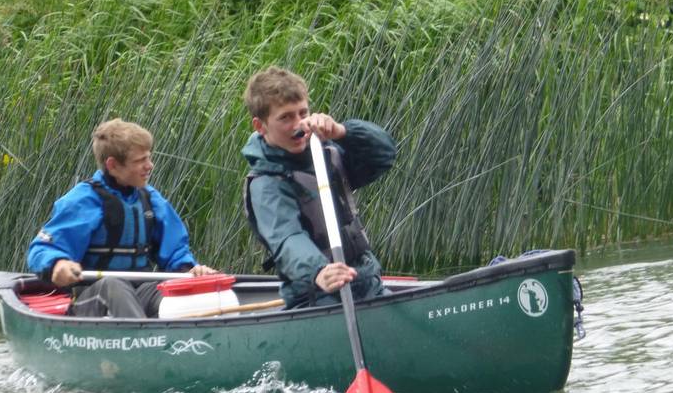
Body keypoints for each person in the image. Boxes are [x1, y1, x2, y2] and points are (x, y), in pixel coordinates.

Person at [27, 118, 216, 318]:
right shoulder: (82, 202)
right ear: (113, 165)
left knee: (178, 296)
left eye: (149, 158)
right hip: (93, 296)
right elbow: (42, 249)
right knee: (113, 286)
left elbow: (176, 253)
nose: (149, 166)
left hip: (140, 292)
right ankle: (143, 343)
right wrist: (57, 264)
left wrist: (191, 271)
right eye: (140, 161)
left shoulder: (151, 200)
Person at [241, 66, 396, 309]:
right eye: (286, 117)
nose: (298, 124)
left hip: (366, 283)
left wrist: (343, 132)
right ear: (260, 126)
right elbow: (287, 238)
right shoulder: (266, 183)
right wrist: (319, 271)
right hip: (317, 297)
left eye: (302, 113)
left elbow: (384, 155)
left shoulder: (327, 154)